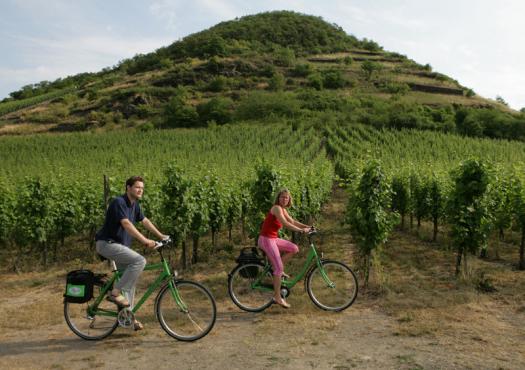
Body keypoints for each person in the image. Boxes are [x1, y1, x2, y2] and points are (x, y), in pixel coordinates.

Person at [95, 175, 168, 330]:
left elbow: (145, 221)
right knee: (139, 261)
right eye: (137, 187)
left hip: (120, 247)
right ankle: (115, 293)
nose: (140, 190)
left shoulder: (135, 205)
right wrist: (145, 241)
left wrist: (161, 236)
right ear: (128, 188)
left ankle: (128, 318)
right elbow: (126, 224)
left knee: (130, 281)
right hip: (107, 244)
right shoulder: (118, 202)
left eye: (142, 188)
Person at [258, 189, 312, 308]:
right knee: (278, 268)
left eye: (286, 198)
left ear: (289, 200)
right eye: (282, 197)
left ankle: (277, 268)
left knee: (294, 248)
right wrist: (301, 231)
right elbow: (286, 223)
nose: (284, 199)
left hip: (272, 239)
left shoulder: (283, 209)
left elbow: (292, 221)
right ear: (278, 198)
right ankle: (277, 297)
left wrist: (309, 227)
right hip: (266, 239)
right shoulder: (276, 208)